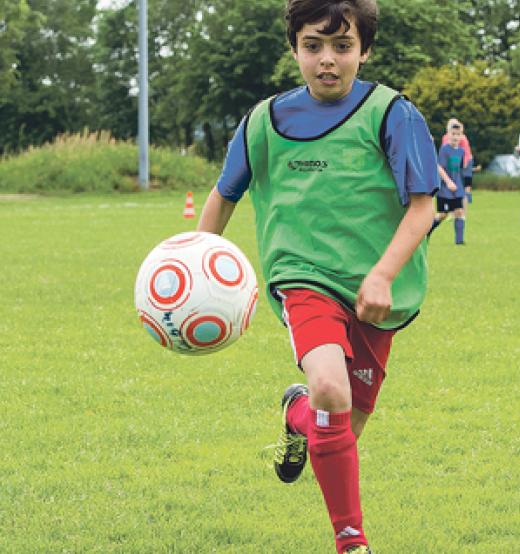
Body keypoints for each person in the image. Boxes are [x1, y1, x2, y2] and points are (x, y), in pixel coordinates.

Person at [196, 1, 439, 552]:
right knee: (331, 386)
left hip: (377, 291)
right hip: (301, 278)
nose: (327, 60)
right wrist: (196, 263)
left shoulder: (392, 114)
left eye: (342, 46)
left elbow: (423, 207)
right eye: (313, 46)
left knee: (341, 428)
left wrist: (381, 275)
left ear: (365, 50)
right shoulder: (264, 121)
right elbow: (224, 196)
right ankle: (351, 542)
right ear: (294, 48)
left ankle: (296, 414)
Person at [431, 124, 467, 244]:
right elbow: (439, 167)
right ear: (448, 135)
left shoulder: (461, 151)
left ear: (461, 136)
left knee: (459, 211)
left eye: (458, 134)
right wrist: (448, 181)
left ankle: (459, 241)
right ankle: (426, 232)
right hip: (445, 189)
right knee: (442, 215)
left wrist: (463, 184)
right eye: (453, 134)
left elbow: (460, 169)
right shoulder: (444, 149)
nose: (455, 137)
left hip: (457, 189)